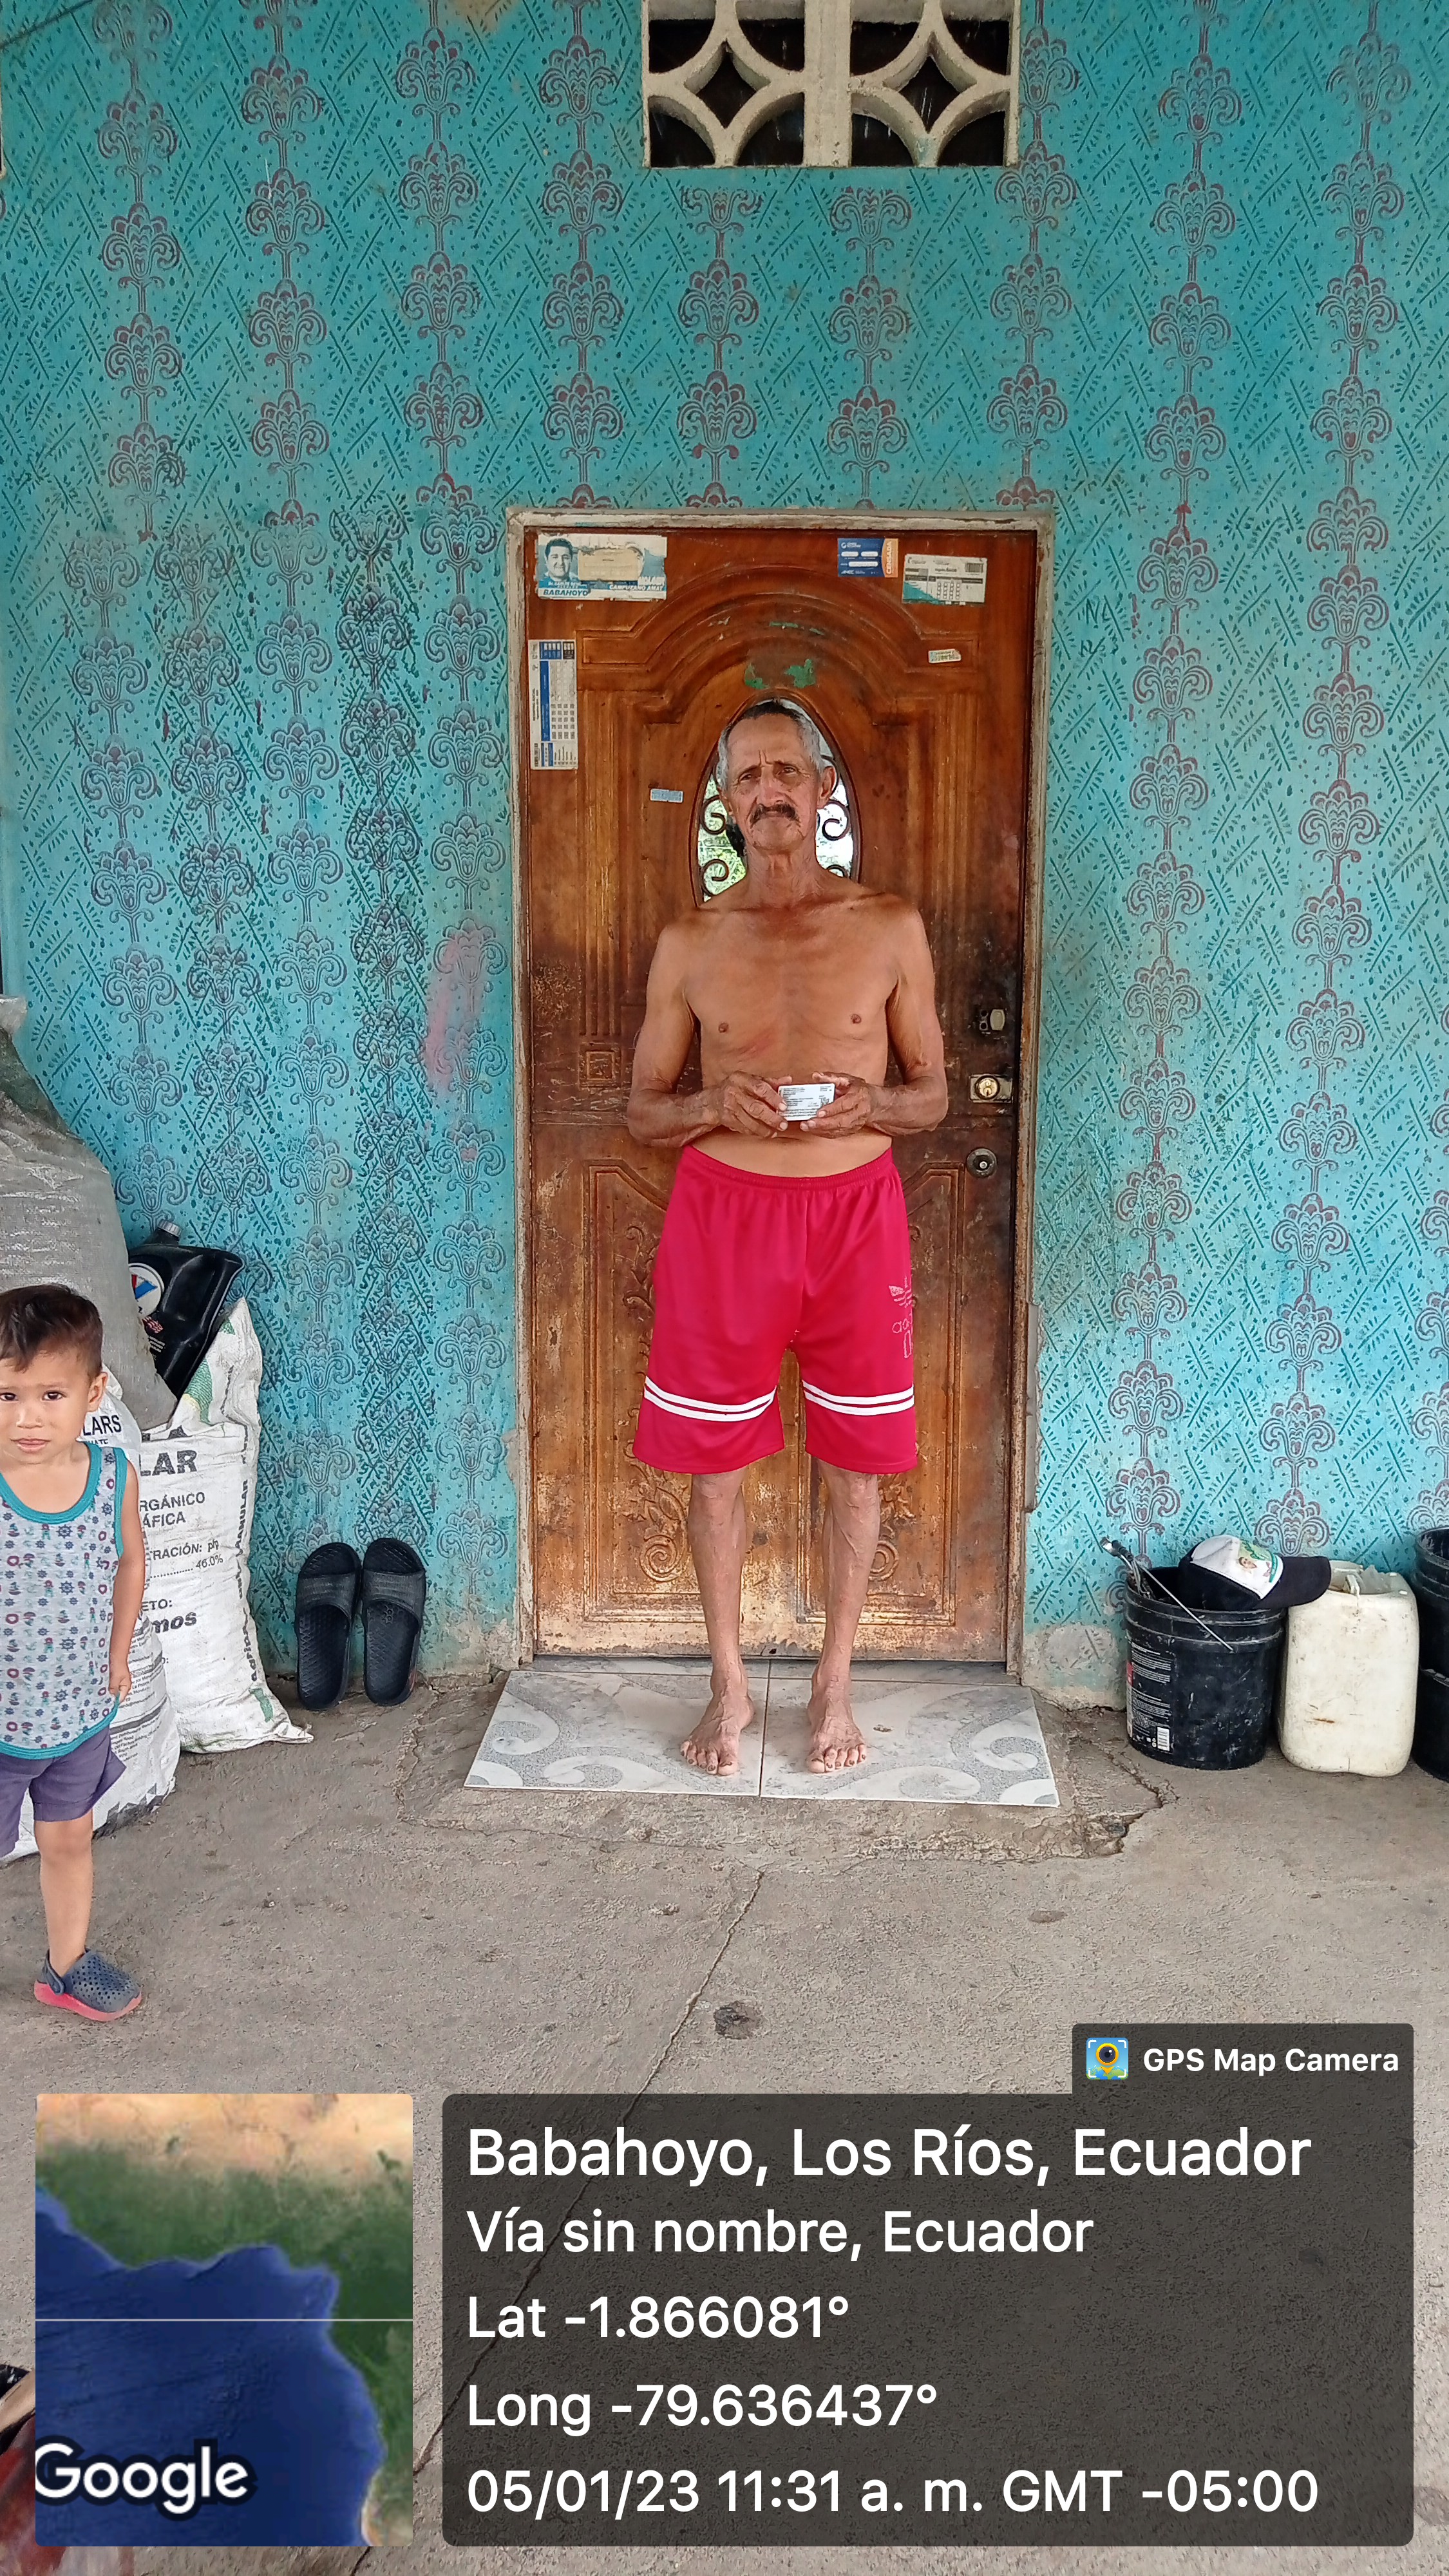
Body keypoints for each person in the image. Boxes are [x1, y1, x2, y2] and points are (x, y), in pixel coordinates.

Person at [627, 699, 948, 1776]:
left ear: (821, 790)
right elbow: (642, 1111)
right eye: (750, 778)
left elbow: (933, 1093)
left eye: (787, 773)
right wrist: (714, 1106)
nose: (770, 793)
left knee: (857, 1468)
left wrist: (874, 1105)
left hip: (855, 1217)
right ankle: (729, 1689)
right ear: (727, 802)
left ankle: (833, 1686)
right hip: (725, 1219)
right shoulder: (692, 942)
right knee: (714, 1469)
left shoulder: (889, 927)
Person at [0, 1284, 146, 2017]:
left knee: (69, 1841)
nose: (26, 1417)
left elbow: (130, 1562)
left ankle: (65, 1967)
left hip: (79, 1715)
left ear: (93, 1393)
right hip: (1, 1727)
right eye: (6, 1395)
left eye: (50, 1395)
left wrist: (118, 1655)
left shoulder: (113, 1477)